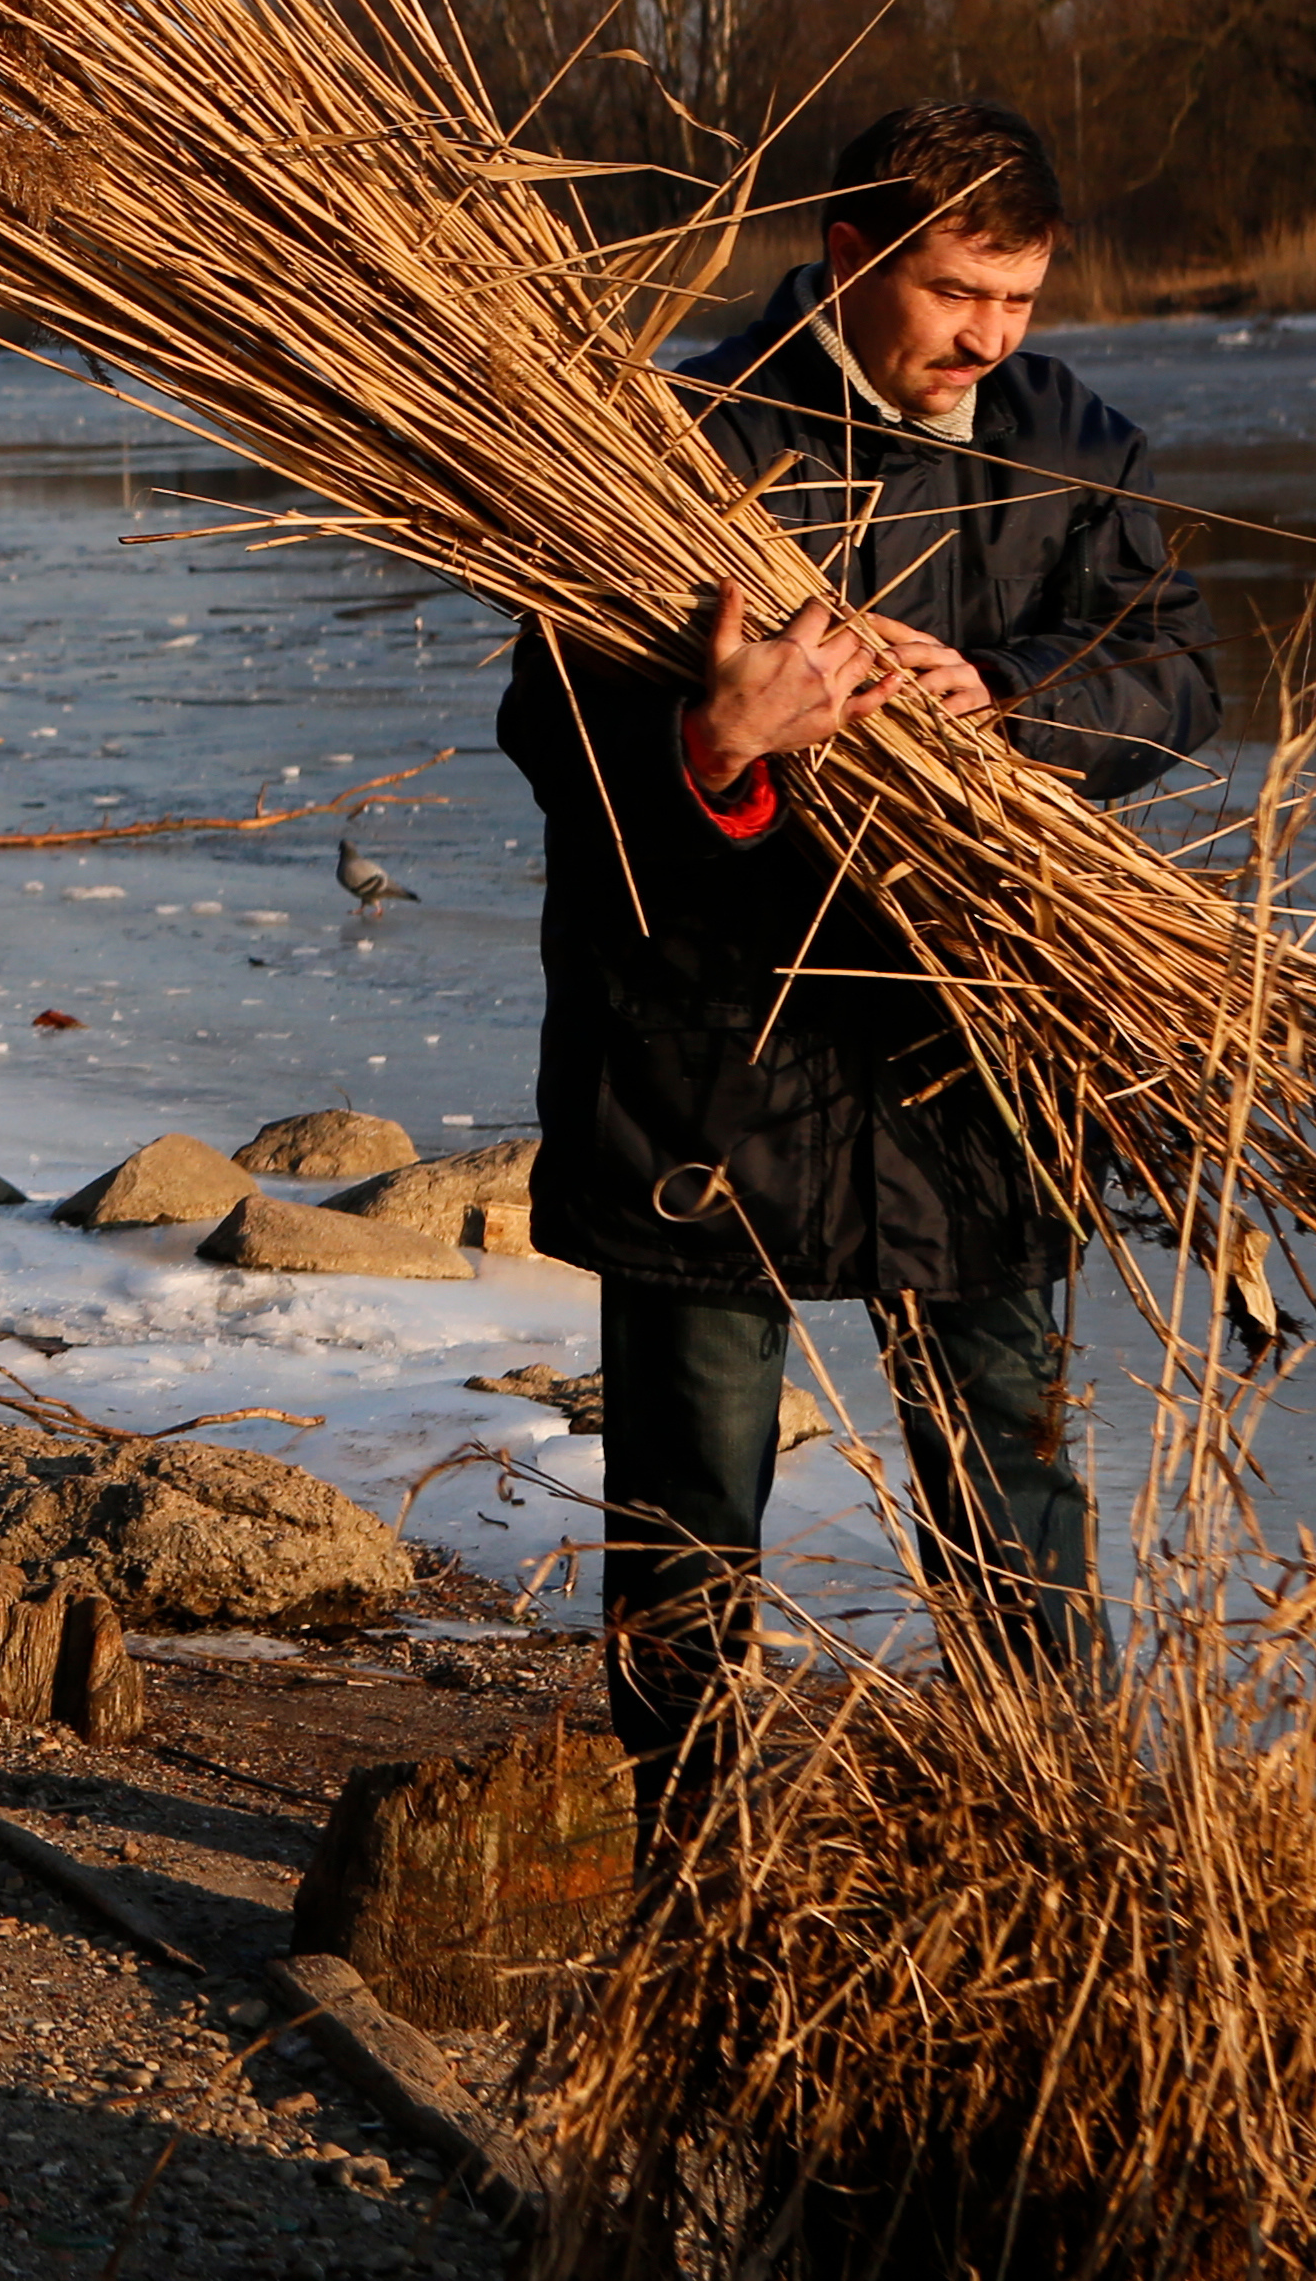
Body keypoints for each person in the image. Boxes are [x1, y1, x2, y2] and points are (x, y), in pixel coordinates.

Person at [497, 100, 1220, 1847]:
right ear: (846, 258)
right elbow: (547, 728)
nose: (993, 337)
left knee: (1011, 1493)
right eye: (960, 293)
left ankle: (1066, 1843)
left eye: (1021, 300)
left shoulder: (1067, 446)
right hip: (703, 1060)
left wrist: (1009, 702)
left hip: (961, 1057)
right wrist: (715, 744)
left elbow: (1172, 664)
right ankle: (686, 1856)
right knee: (685, 1510)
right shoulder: (668, 447)